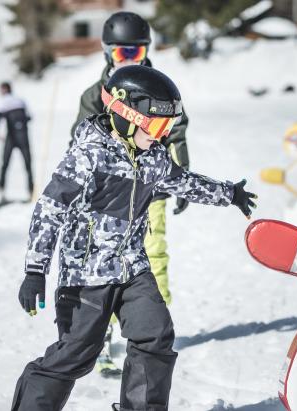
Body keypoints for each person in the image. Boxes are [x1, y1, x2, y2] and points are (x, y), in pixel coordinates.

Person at [11, 65, 257, 411]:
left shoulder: (153, 157)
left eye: (168, 127)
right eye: (157, 126)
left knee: (155, 335)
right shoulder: (88, 156)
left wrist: (228, 194)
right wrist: (35, 270)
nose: (162, 135)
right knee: (77, 354)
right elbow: (50, 209)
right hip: (86, 276)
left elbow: (184, 181)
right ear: (126, 116)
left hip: (132, 270)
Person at [71, 11, 191, 376]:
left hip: (150, 191)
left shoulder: (161, 87)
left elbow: (177, 133)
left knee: (153, 255)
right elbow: (80, 140)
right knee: (105, 262)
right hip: (109, 196)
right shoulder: (96, 94)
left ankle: (152, 330)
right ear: (108, 53)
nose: (132, 60)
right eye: (123, 55)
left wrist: (181, 178)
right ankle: (101, 335)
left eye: (137, 53)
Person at [0, 82, 34, 202]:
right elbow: (30, 117)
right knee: (28, 165)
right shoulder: (21, 100)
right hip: (23, 136)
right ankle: (31, 192)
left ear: (5, 90)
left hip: (11, 137)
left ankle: (0, 191)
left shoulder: (3, 102)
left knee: (5, 164)